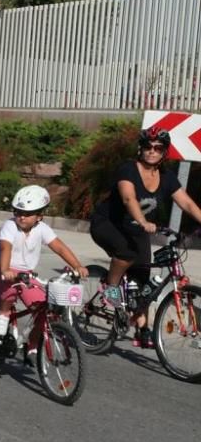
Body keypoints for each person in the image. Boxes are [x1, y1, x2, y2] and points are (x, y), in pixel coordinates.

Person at [89, 126, 201, 347]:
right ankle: (111, 289)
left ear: (164, 152)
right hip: (107, 224)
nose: (152, 151)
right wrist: (142, 221)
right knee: (126, 254)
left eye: (158, 148)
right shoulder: (128, 170)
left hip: (136, 230)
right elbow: (129, 198)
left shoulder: (167, 177)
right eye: (148, 146)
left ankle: (142, 329)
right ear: (140, 149)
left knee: (142, 280)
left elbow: (186, 202)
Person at [0, 186, 89, 361]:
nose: (21, 216)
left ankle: (32, 344)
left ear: (39, 216)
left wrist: (77, 266)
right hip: (2, 270)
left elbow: (59, 247)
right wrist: (6, 270)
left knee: (42, 307)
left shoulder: (42, 229)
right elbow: (6, 247)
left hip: (26, 274)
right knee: (9, 293)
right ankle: (1, 320)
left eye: (27, 214)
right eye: (18, 212)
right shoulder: (9, 226)